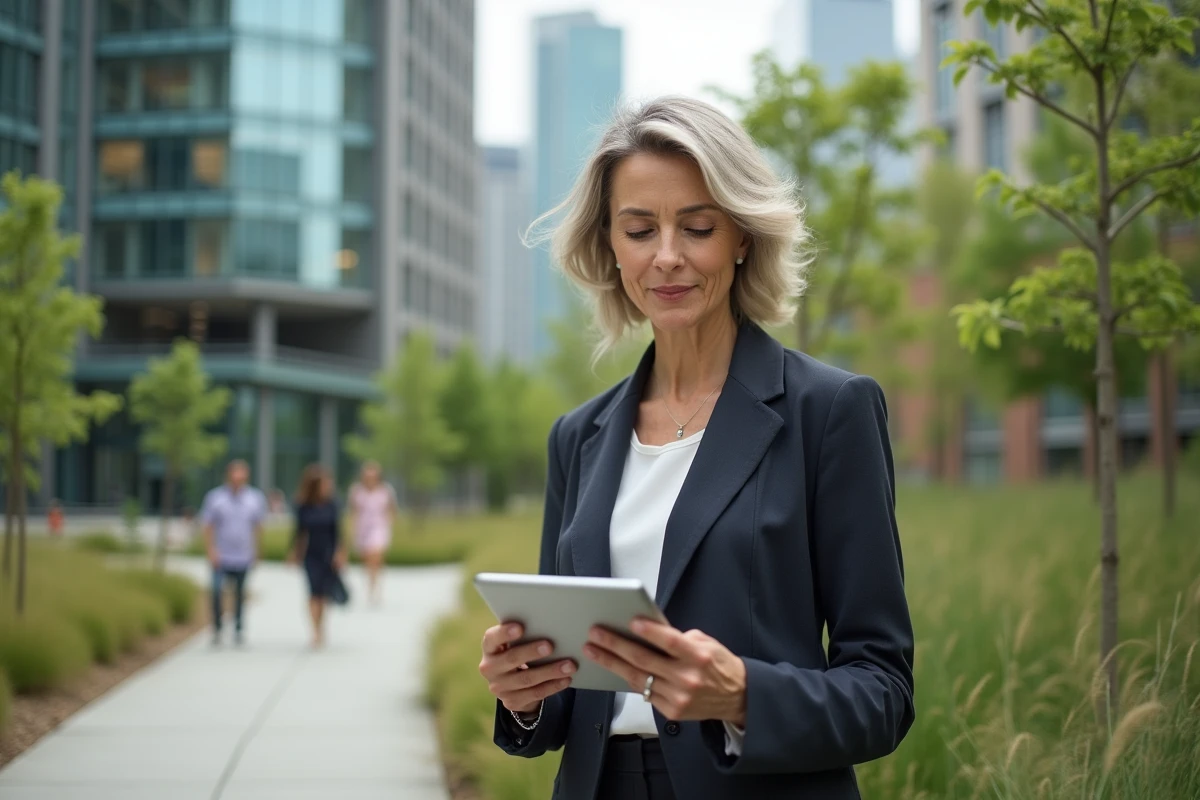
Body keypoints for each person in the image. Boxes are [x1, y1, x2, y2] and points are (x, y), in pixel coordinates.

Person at [478, 97, 915, 799]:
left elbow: (884, 691)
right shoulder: (578, 438)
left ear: (741, 235)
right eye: (640, 229)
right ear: (611, 246)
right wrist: (525, 694)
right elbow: (568, 702)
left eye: (699, 226)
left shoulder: (830, 412)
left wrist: (744, 696)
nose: (668, 257)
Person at [200, 460, 267, 647]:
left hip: (243, 555)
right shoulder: (215, 498)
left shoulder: (255, 498)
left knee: (240, 593)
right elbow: (207, 526)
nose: (238, 479)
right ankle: (217, 628)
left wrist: (258, 551)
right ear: (228, 476)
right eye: (235, 475)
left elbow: (258, 526)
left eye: (242, 476)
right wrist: (211, 550)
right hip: (221, 555)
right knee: (216, 590)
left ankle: (238, 627)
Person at [287, 464, 347, 649]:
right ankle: (315, 631)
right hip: (311, 554)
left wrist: (340, 553)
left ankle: (322, 625)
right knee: (313, 592)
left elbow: (338, 531)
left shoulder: (333, 504)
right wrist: (294, 553)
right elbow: (299, 532)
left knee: (324, 593)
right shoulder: (303, 505)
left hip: (328, 553)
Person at [347, 461, 397, 605]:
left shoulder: (385, 490)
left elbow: (392, 509)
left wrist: (389, 522)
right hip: (363, 528)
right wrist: (352, 530)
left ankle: (375, 586)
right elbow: (354, 512)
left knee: (376, 555)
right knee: (367, 558)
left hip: (379, 527)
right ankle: (371, 581)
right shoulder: (357, 491)